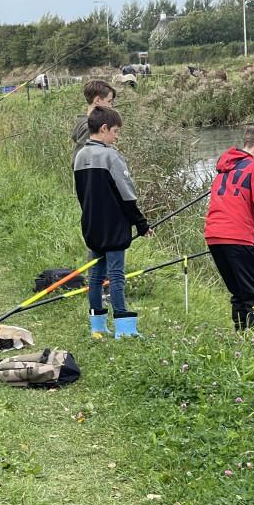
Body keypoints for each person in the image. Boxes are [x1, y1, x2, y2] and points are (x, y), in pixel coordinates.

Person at [73, 106, 150, 339]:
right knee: (116, 275)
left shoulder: (80, 155)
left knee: (96, 275)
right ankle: (124, 329)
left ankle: (97, 327)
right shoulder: (111, 155)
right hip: (114, 226)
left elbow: (80, 193)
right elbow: (127, 194)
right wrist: (141, 223)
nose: (117, 136)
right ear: (104, 129)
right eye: (115, 131)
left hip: (91, 224)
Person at [203, 125, 254, 331]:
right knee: (253, 296)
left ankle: (241, 337)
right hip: (237, 239)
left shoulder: (225, 169)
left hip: (215, 237)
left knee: (238, 293)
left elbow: (235, 211)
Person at [71, 80, 116, 162]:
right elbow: (78, 162)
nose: (111, 106)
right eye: (109, 101)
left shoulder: (88, 123)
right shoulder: (89, 127)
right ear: (97, 100)